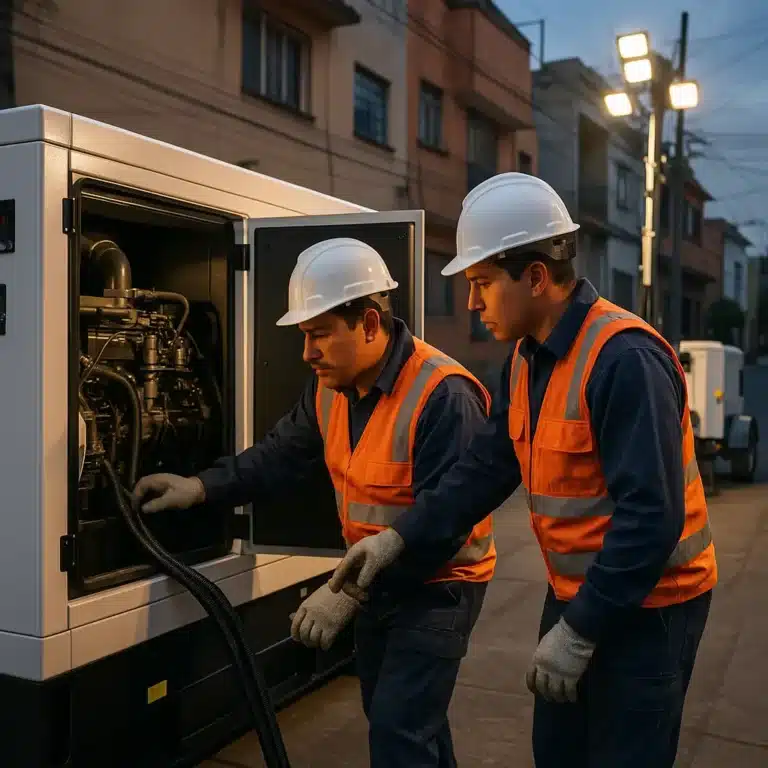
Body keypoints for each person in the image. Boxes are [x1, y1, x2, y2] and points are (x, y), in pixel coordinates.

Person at [329, 173, 718, 768]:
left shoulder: (625, 360)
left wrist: (581, 628)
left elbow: (651, 519)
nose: (471, 301)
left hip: (651, 609)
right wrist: (397, 540)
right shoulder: (526, 360)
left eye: (482, 282)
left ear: (536, 277)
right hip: (579, 595)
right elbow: (484, 468)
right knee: (557, 752)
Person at [132, 237, 496, 768]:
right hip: (378, 581)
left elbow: (447, 523)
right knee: (406, 722)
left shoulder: (443, 395)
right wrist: (200, 486)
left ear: (370, 323)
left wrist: (347, 592)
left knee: (400, 729)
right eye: (305, 335)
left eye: (320, 334)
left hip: (440, 586)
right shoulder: (331, 387)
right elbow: (279, 455)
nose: (307, 352)